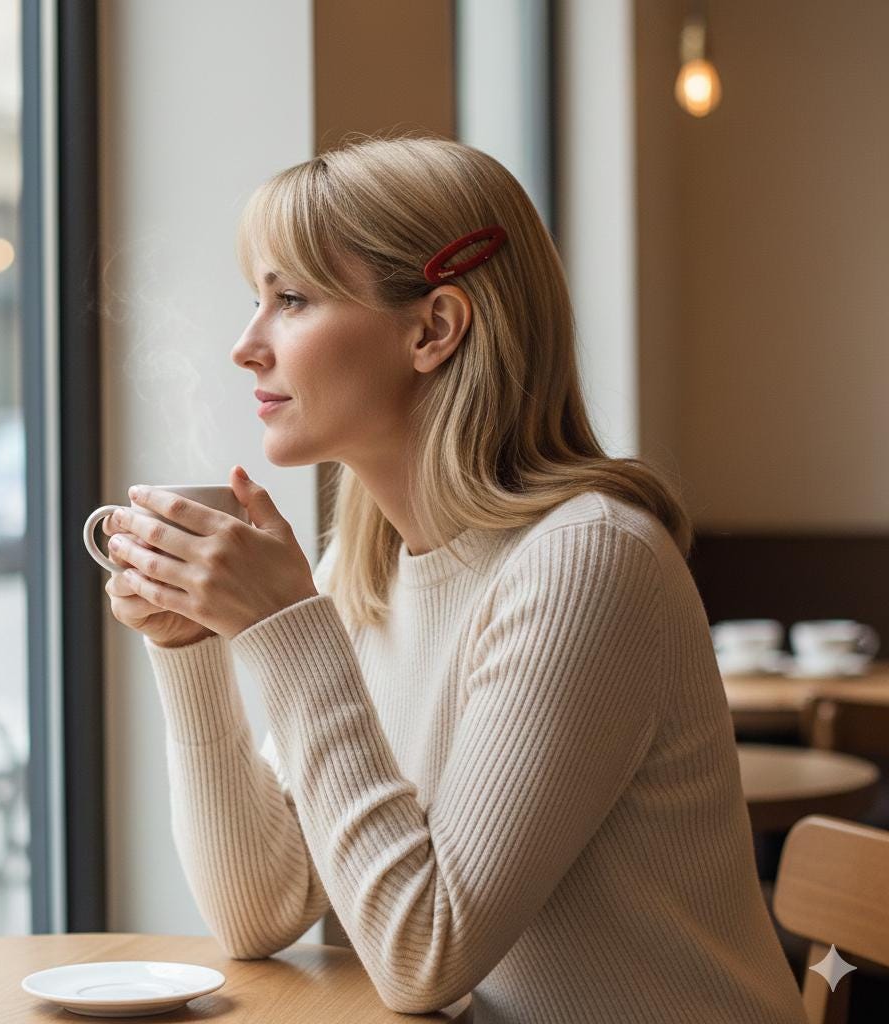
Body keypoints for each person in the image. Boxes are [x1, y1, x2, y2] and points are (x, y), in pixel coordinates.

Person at [102, 136, 808, 1023]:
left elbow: (424, 955)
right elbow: (260, 911)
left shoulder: (588, 564)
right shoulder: (368, 568)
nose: (246, 346)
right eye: (257, 299)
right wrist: (194, 651)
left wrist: (287, 629)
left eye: (291, 300)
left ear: (433, 328)